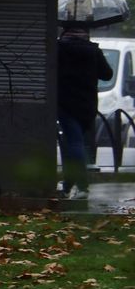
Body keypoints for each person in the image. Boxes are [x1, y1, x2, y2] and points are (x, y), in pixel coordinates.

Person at [57, 25, 112, 199]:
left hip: (65, 102)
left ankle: (81, 186)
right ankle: (68, 184)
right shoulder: (93, 51)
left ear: (65, 33)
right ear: (85, 35)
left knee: (73, 143)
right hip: (87, 104)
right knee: (73, 142)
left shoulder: (59, 49)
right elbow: (107, 74)